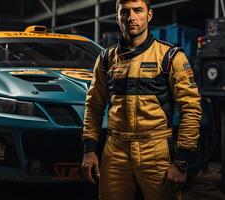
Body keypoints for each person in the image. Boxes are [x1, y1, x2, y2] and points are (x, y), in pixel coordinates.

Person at [81, 0, 202, 199]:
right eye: (125, 12)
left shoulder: (170, 57)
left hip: (156, 151)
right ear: (117, 16)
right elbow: (94, 105)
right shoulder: (106, 59)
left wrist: (182, 161)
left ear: (149, 15)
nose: (131, 18)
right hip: (115, 151)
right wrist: (89, 150)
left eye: (138, 11)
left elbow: (191, 108)